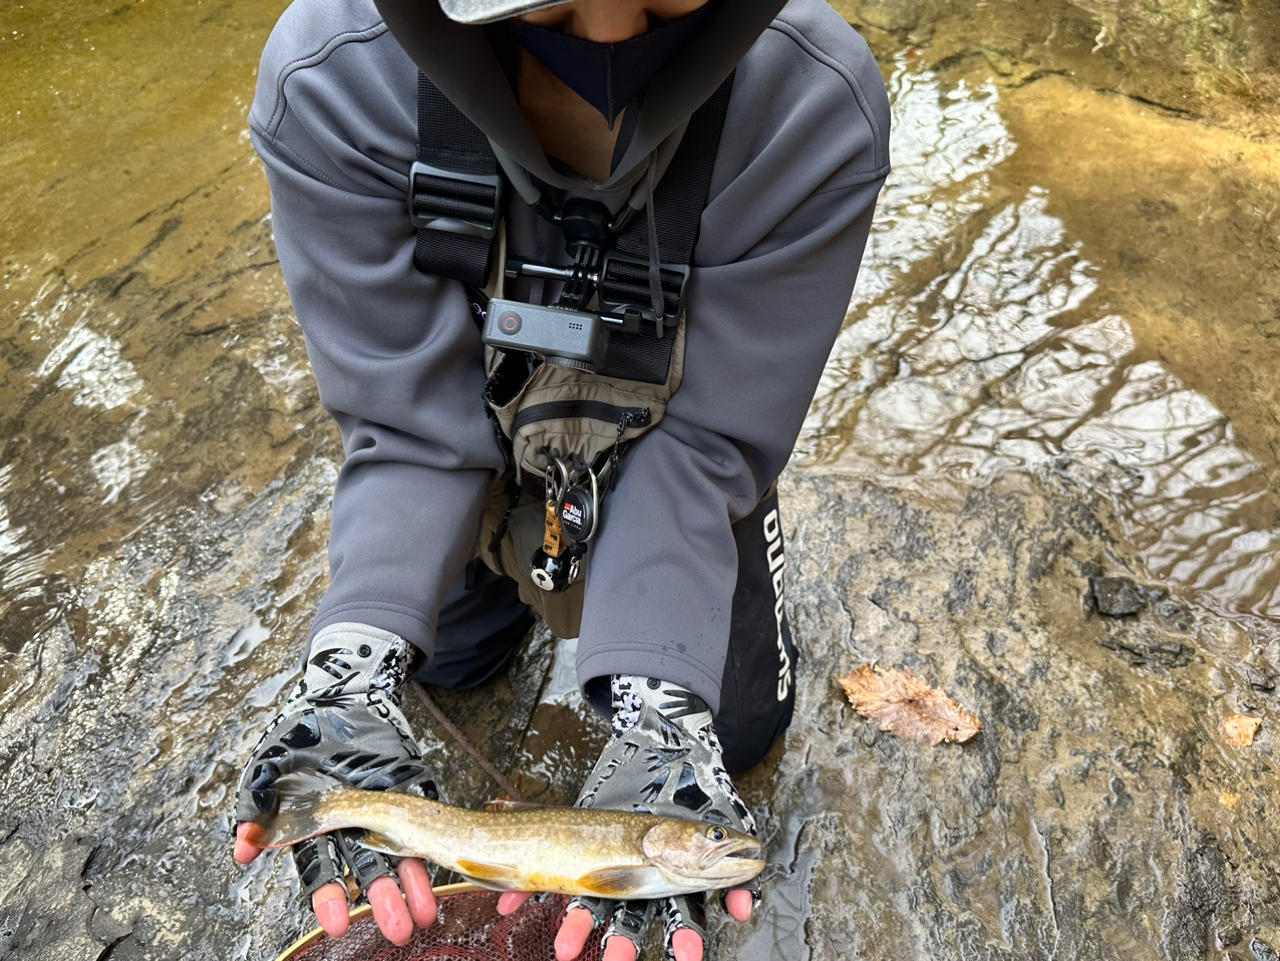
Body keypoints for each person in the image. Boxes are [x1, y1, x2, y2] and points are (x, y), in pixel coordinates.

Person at [232, 0, 889, 959]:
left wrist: (661, 692)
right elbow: (406, 427)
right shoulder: (329, 81)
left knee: (734, 728)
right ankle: (475, 598)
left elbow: (709, 444)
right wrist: (358, 652)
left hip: (664, 461)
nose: (617, 36)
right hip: (467, 453)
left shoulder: (812, 105)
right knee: (436, 670)